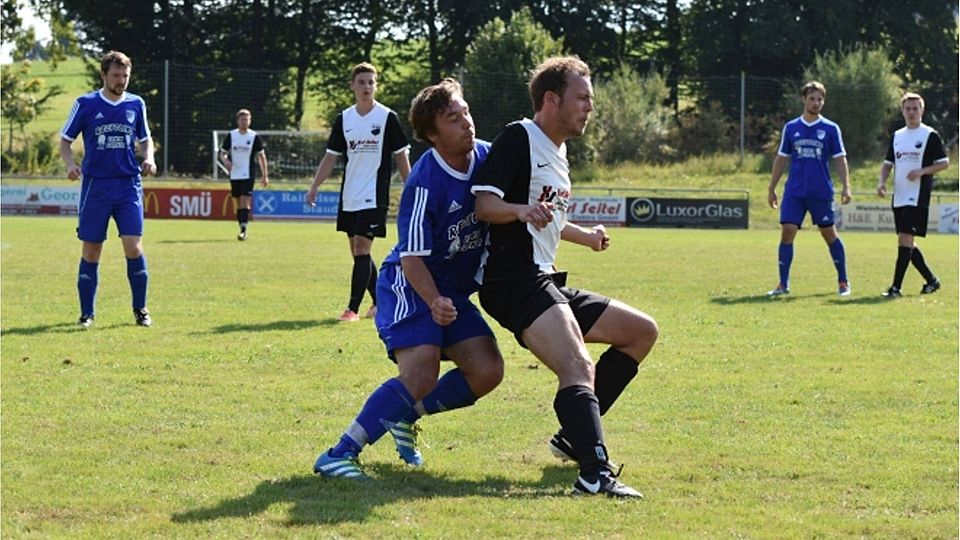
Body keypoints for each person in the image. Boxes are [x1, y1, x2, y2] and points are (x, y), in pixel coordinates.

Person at [470, 56, 659, 498]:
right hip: (513, 281)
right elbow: (484, 204)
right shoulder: (520, 137)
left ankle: (574, 437)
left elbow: (547, 218)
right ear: (551, 99)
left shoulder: (559, 150)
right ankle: (594, 473)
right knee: (577, 365)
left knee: (640, 332)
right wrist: (518, 210)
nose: (589, 108)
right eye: (583, 99)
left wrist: (585, 236)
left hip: (545, 277)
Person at [313, 79, 503, 479]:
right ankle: (339, 453)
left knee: (487, 370)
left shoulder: (487, 156)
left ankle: (404, 415)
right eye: (454, 119)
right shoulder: (424, 181)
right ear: (432, 135)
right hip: (410, 284)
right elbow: (413, 257)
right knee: (420, 374)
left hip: (448, 292)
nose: (467, 123)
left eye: (466, 112)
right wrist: (434, 300)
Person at [306, 63, 412, 322]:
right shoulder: (345, 119)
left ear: (376, 86)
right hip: (350, 196)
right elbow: (331, 157)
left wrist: (410, 189)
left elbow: (401, 156)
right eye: (362, 82)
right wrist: (315, 185)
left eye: (371, 82)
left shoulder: (387, 117)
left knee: (363, 249)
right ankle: (379, 302)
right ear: (352, 86)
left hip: (374, 196)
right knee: (357, 251)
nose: (366, 87)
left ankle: (352, 309)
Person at [59, 50, 156, 328]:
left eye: (125, 76)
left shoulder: (136, 104)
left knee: (134, 248)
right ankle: (87, 313)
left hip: (128, 185)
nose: (121, 81)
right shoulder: (86, 104)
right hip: (96, 187)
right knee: (91, 251)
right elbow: (65, 141)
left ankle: (141, 309)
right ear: (104, 75)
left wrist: (148, 157)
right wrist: (69, 165)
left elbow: (145, 139)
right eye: (116, 75)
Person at [767, 81, 852, 297]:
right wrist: (772, 187)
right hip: (795, 191)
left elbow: (840, 159)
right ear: (804, 99)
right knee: (787, 232)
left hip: (820, 190)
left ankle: (843, 281)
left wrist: (846, 186)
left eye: (820, 99)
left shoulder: (831, 129)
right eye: (812, 98)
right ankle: (783, 284)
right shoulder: (791, 127)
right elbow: (781, 158)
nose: (816, 103)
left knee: (828, 233)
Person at [876, 92, 949, 298]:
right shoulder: (897, 136)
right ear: (903, 111)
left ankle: (895, 288)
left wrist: (922, 171)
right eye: (907, 108)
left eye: (915, 108)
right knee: (907, 242)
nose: (911, 112)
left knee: (904, 239)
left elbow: (944, 163)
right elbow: (887, 164)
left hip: (917, 196)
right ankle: (932, 280)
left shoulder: (929, 135)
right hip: (899, 196)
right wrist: (882, 183)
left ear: (922, 111)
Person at [219, 109, 269, 240]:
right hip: (234, 173)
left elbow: (261, 156)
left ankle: (243, 230)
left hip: (248, 173)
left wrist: (265, 175)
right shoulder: (232, 135)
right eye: (243, 119)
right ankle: (242, 225)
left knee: (245, 201)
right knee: (237, 202)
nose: (245, 122)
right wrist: (226, 161)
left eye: (247, 119)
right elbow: (222, 152)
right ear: (238, 121)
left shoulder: (254, 136)